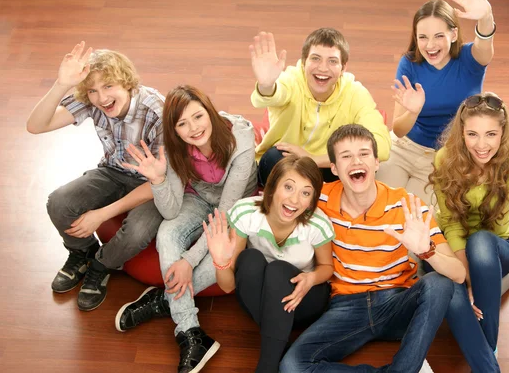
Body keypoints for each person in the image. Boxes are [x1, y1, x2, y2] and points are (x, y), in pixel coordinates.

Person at [280, 124, 471, 373]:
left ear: (376, 162)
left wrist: (427, 251)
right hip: (346, 306)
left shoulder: (408, 207)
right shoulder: (318, 199)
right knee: (292, 366)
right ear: (335, 168)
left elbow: (458, 275)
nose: (356, 161)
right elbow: (278, 209)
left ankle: (403, 369)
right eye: (346, 156)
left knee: (440, 283)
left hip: (397, 303)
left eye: (363, 154)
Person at [115, 85, 258, 373]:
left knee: (217, 262)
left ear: (210, 111)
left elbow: (227, 212)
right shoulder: (176, 148)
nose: (193, 128)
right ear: (174, 130)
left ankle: (163, 300)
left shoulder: (241, 140)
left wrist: (188, 261)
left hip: (236, 208)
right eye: (182, 123)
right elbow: (170, 210)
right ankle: (191, 331)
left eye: (198, 116)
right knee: (168, 232)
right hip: (198, 198)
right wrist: (158, 180)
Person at [26, 42, 165, 311]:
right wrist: (61, 84)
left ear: (127, 82)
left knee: (137, 232)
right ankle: (83, 253)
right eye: (93, 90)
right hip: (113, 171)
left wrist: (101, 214)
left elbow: (158, 182)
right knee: (58, 202)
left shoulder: (156, 110)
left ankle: (102, 264)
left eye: (109, 86)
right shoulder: (92, 101)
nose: (102, 98)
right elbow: (35, 126)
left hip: (151, 182)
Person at [430, 92, 509, 357]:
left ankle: (489, 344)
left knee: (480, 242)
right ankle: (487, 361)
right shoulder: (445, 159)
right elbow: (451, 224)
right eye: (472, 134)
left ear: (503, 132)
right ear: (461, 133)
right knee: (453, 295)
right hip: (458, 248)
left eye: (491, 134)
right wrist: (466, 279)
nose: (481, 145)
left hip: (499, 249)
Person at [204, 155, 335, 372]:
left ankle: (267, 364)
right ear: (272, 187)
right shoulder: (246, 212)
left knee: (278, 269)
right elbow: (228, 286)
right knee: (249, 258)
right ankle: (278, 349)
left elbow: (327, 268)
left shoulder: (317, 224)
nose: (295, 200)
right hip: (261, 298)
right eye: (289, 187)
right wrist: (221, 262)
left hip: (302, 299)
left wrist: (311, 277)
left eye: (305, 192)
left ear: (312, 200)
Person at [377, 0, 495, 204]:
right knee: (382, 204)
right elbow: (399, 131)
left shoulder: (471, 59)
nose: (430, 45)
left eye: (439, 36)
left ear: (453, 34)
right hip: (403, 149)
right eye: (423, 37)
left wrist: (486, 16)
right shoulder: (409, 63)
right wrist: (412, 112)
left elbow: (485, 46)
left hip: (442, 157)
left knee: (415, 214)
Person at [249, 27, 391, 186]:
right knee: (274, 158)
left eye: (332, 61)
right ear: (303, 62)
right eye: (315, 58)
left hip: (328, 166)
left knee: (361, 166)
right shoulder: (292, 79)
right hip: (288, 161)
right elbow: (270, 96)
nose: (323, 68)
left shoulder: (355, 93)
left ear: (343, 68)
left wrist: (314, 159)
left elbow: (382, 147)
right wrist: (266, 85)